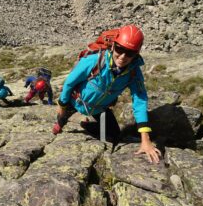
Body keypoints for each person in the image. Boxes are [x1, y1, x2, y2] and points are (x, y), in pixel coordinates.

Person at [53, 24, 161, 164]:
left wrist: (145, 140)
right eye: (120, 49)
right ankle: (60, 123)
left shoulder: (134, 73)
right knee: (60, 122)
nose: (122, 57)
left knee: (114, 134)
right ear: (113, 45)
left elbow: (139, 101)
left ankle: (86, 126)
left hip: (100, 109)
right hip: (75, 101)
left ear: (137, 54)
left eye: (129, 53)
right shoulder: (95, 61)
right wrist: (62, 104)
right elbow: (69, 83)